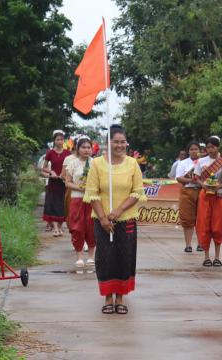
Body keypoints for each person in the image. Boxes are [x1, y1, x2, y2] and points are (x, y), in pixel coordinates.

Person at [83, 126, 146, 315]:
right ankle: (107, 297)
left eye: (122, 142)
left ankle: (120, 297)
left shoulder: (132, 163)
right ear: (108, 142)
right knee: (105, 258)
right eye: (115, 141)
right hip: (102, 221)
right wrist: (103, 218)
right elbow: (92, 193)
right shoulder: (96, 164)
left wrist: (119, 210)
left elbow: (137, 192)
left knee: (124, 258)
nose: (119, 145)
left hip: (125, 219)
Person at [194, 136, 222, 267]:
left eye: (213, 147)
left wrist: (220, 186)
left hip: (219, 197)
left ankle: (217, 257)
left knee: (218, 226)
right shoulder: (201, 161)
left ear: (218, 147)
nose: (210, 150)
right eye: (208, 147)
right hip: (205, 196)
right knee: (204, 225)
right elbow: (196, 178)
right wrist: (203, 185)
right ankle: (206, 257)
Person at [65, 136, 96, 268]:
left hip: (92, 199)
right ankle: (79, 256)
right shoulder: (72, 163)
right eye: (83, 147)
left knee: (91, 227)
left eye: (88, 147)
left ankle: (91, 256)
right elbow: (67, 182)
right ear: (78, 149)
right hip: (77, 198)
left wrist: (91, 188)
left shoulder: (95, 163)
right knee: (77, 228)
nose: (86, 150)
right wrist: (80, 187)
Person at [41, 130, 70, 237]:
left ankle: (60, 226)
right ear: (54, 141)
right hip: (53, 182)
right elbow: (43, 168)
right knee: (52, 204)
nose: (60, 142)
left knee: (63, 204)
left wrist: (65, 175)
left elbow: (70, 167)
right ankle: (55, 228)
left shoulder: (68, 153)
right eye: (57, 139)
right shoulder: (50, 153)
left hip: (63, 182)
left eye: (62, 139)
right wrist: (51, 172)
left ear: (64, 141)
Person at [175, 141, 203, 253]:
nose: (194, 151)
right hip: (187, 191)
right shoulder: (182, 163)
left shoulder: (203, 162)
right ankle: (188, 245)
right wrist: (191, 180)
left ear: (199, 151)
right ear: (188, 151)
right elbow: (179, 178)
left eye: (196, 149)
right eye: (191, 149)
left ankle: (201, 244)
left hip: (201, 191)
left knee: (201, 218)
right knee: (187, 219)